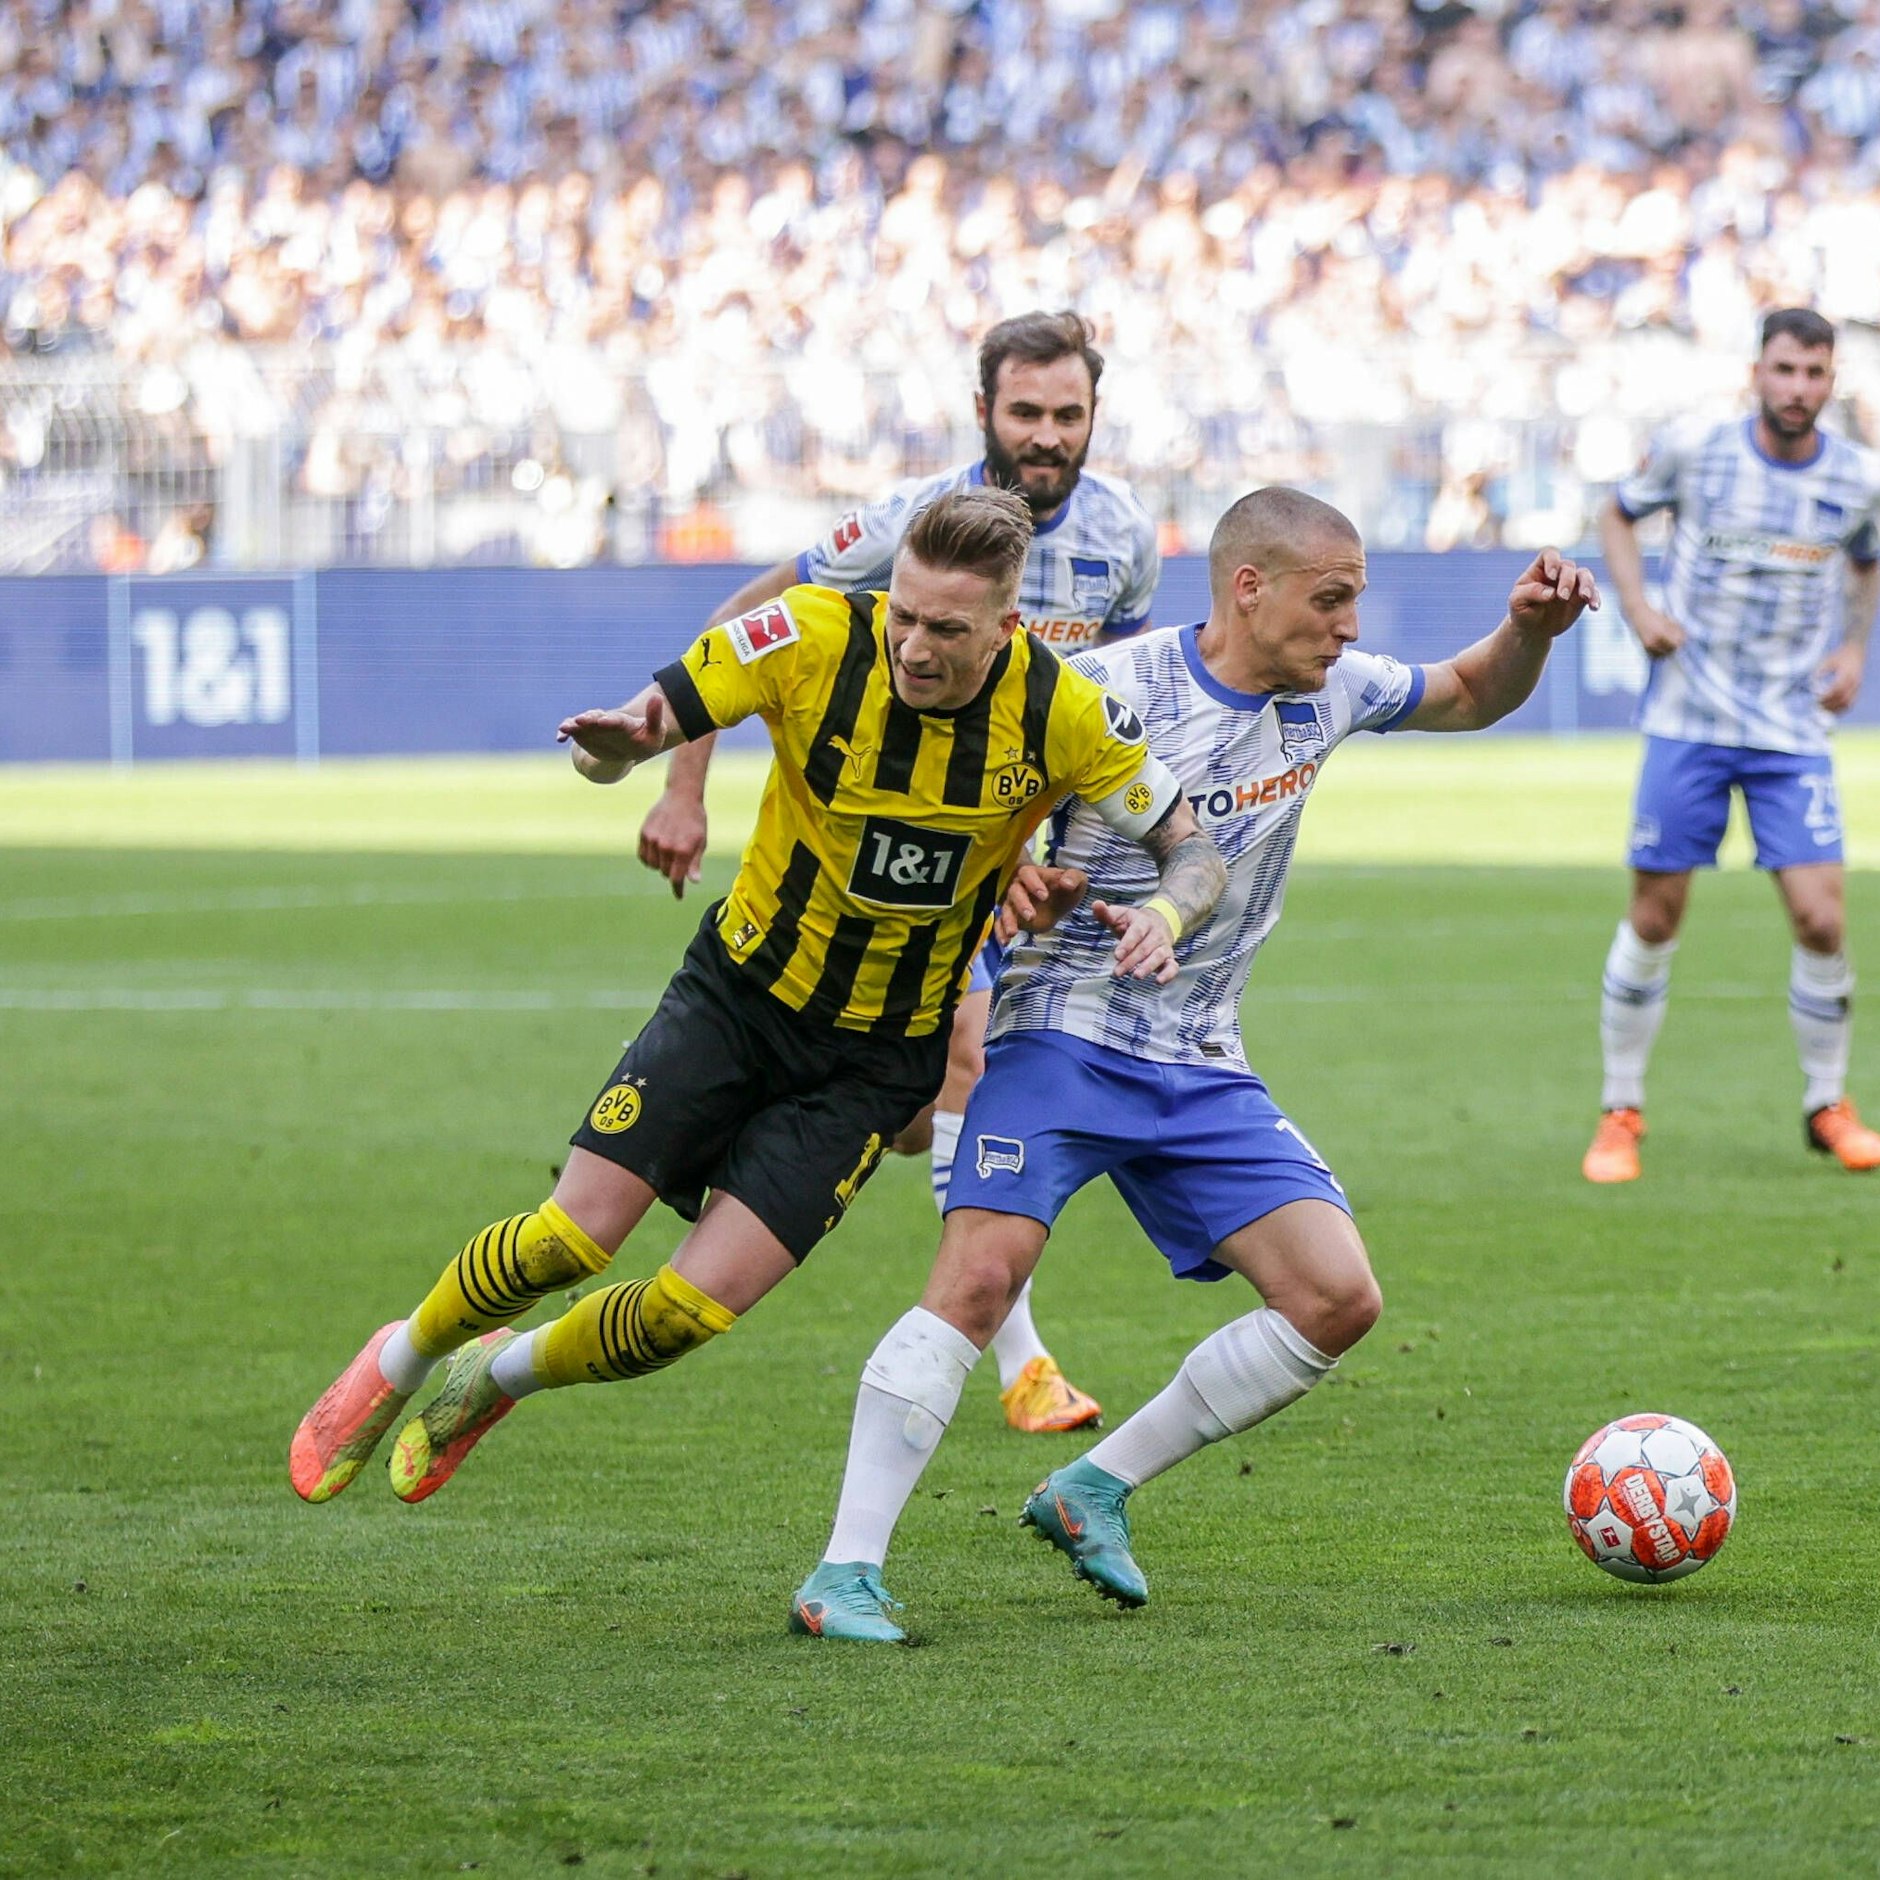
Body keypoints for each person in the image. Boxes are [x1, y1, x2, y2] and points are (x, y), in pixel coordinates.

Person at [289, 487, 1227, 1511]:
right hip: (738, 997)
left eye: (946, 630)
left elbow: (1188, 845)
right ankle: (401, 1355)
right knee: (570, 1237)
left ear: (1005, 626)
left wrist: (1165, 919)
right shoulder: (813, 636)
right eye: (902, 615)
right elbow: (633, 732)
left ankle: (492, 1378)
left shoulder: (1061, 710)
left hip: (875, 1059)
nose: (913, 646)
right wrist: (614, 747)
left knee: (684, 1313)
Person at [788, 487, 1599, 1641]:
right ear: (1247, 588)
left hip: (1199, 1052)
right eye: (1331, 599)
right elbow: (976, 808)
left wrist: (1529, 630)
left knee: (1334, 1297)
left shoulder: (1334, 693)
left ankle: (1091, 1485)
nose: (1350, 625)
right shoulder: (1109, 691)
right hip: (1062, 1027)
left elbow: (1469, 690)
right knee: (977, 1279)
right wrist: (1019, 877)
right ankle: (844, 1570)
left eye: (1355, 599)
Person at [638, 309, 1162, 1433]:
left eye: (1066, 414)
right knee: (954, 1073)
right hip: (892, 842)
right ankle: (1021, 1364)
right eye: (1024, 411)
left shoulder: (1124, 534)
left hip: (1010, 851)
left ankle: (1009, 1349)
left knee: (934, 1103)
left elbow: (1109, 712)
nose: (1045, 434)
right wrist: (683, 789)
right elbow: (742, 618)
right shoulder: (905, 528)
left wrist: (1052, 854)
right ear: (983, 411)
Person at [1583, 307, 1880, 1184]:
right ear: (1757, 372)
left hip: (1791, 728)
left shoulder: (1859, 479)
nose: (1799, 390)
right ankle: (1620, 1109)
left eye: (1815, 374)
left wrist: (1854, 645)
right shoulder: (1697, 447)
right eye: (1785, 371)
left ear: (1832, 381)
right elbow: (1616, 515)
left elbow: (1867, 558)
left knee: (1823, 918)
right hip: (1691, 721)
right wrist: (1638, 610)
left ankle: (1827, 1102)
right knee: (1656, 915)